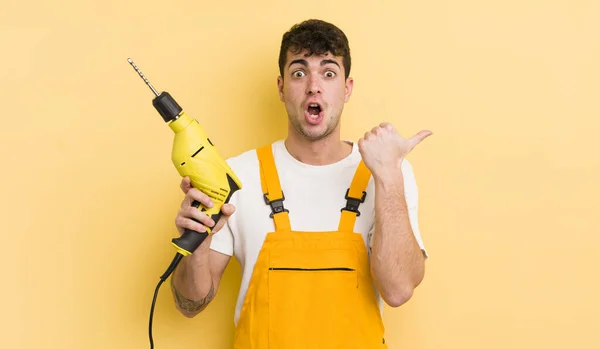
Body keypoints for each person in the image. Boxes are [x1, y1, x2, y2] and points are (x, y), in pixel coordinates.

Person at [170, 19, 431, 348]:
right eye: (299, 72)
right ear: (281, 88)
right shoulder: (238, 176)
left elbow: (398, 290)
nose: (313, 86)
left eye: (328, 72)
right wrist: (198, 245)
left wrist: (389, 176)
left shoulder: (388, 174)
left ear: (347, 88)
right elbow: (190, 303)